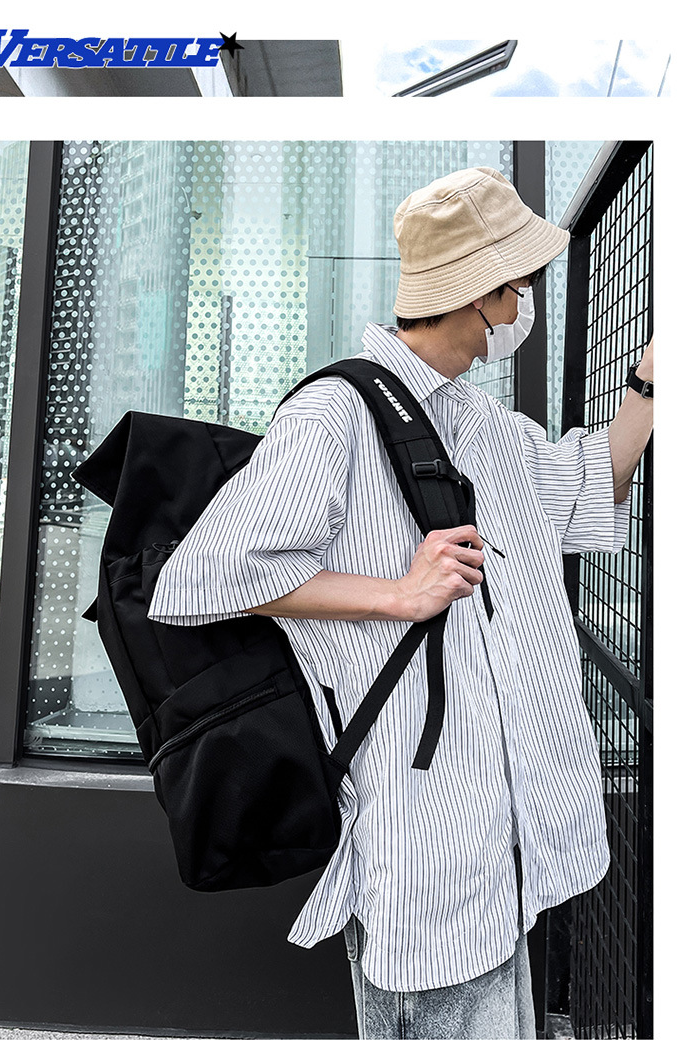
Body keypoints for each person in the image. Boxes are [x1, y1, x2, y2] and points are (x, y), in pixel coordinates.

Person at [147, 166, 654, 1040]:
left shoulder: (483, 425)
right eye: (521, 280)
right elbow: (201, 577)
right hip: (425, 851)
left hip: (503, 843)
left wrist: (650, 384)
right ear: (482, 295)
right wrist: (398, 592)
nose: (528, 300)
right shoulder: (334, 416)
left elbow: (584, 485)